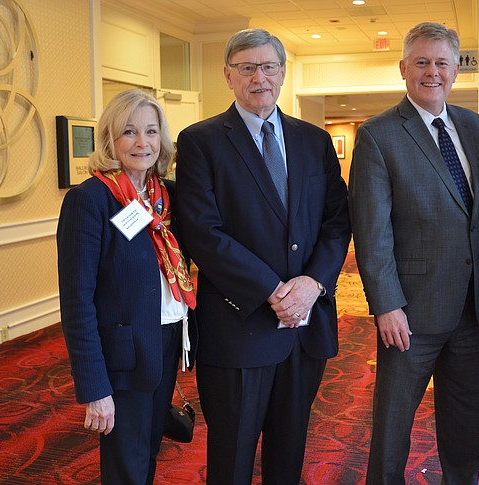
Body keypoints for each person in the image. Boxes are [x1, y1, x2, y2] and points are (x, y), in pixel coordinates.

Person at [174, 28, 351, 484]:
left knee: (289, 452)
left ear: (283, 73)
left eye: (269, 67)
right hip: (239, 326)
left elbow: (336, 219)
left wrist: (313, 283)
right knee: (232, 457)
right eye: (247, 68)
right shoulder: (201, 141)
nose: (259, 78)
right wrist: (273, 291)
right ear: (228, 75)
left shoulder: (313, 140)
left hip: (304, 326)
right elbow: (202, 232)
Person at [349, 22, 479, 485]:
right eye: (421, 62)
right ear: (403, 68)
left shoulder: (476, 128)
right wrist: (386, 305)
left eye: (442, 62)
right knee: (393, 427)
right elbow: (371, 230)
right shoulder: (378, 135)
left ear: (456, 69)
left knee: (464, 423)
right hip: (411, 312)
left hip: (472, 306)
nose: (432, 72)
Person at [57, 89, 198, 484]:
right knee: (126, 465)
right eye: (129, 132)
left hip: (167, 341)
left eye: (151, 131)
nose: (143, 143)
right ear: (110, 140)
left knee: (148, 450)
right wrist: (94, 387)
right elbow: (77, 302)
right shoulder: (91, 200)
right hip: (122, 356)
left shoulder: (165, 196)